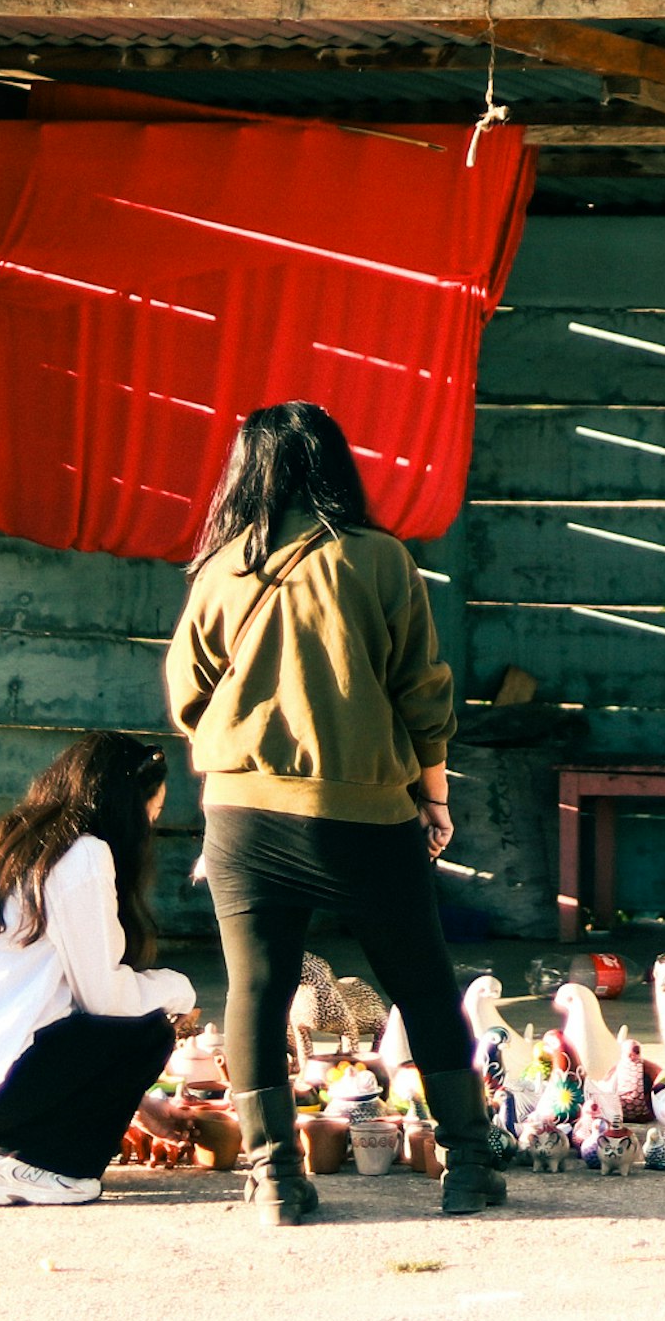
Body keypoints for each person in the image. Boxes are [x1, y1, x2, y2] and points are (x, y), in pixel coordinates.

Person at [164, 399, 507, 1223]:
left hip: (242, 813)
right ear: (334, 467)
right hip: (361, 813)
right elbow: (422, 690)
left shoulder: (219, 571)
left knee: (255, 986)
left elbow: (187, 698)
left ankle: (276, 1178)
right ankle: (466, 1171)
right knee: (422, 982)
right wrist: (434, 795)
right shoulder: (379, 561)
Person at [0, 730, 200, 1207]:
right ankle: (30, 1167)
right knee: (146, 1032)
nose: (151, 828)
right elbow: (104, 1001)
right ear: (127, 808)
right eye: (151, 814)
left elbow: (50, 1011)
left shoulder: (16, 845)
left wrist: (136, 1103)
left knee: (119, 1027)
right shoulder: (83, 855)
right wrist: (179, 990)